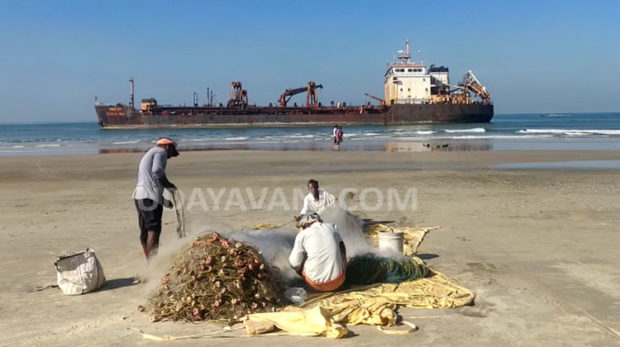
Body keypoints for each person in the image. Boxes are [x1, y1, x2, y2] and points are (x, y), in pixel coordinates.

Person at [132, 137, 179, 260]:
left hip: (139, 195)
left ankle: (149, 264)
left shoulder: (150, 153)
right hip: (148, 196)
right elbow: (157, 171)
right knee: (154, 229)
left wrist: (163, 201)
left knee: (145, 230)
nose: (169, 157)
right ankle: (153, 264)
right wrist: (168, 185)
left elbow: (151, 180)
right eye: (171, 152)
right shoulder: (160, 151)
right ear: (168, 147)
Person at [289, 213, 347, 292]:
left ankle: (310, 283)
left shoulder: (302, 235)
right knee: (340, 248)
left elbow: (294, 263)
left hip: (316, 285)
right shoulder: (332, 227)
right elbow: (342, 248)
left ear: (304, 225)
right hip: (339, 280)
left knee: (301, 258)